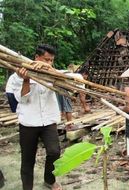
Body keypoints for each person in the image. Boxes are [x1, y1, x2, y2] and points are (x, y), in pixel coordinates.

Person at [13, 44, 62, 190]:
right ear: (36, 58)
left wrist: (52, 71)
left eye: (51, 60)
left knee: (54, 152)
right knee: (28, 159)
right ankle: (27, 187)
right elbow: (22, 99)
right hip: (29, 122)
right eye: (46, 60)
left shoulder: (54, 74)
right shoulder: (18, 76)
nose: (48, 63)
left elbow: (74, 79)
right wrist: (26, 80)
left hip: (49, 121)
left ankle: (49, 179)